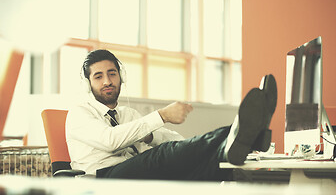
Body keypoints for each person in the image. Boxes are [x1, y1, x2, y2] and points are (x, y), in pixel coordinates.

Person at [66, 49, 277, 181]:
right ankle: (246, 132)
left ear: (121, 77)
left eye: (112, 73)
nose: (107, 81)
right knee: (161, 155)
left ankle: (244, 139)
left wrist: (150, 136)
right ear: (88, 84)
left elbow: (176, 141)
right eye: (98, 76)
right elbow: (109, 141)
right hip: (101, 178)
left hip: (130, 172)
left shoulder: (127, 114)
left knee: (202, 171)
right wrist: (162, 115)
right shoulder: (79, 113)